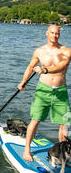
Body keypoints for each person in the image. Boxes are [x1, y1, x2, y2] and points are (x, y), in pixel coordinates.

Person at [18, 24, 71, 161]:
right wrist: (23, 81)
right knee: (35, 120)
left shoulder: (66, 51)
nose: (55, 35)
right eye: (52, 33)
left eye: (57, 33)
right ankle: (27, 150)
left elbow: (62, 66)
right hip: (43, 90)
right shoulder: (39, 51)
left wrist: (45, 70)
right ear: (47, 33)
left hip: (60, 91)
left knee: (64, 123)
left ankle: (63, 154)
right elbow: (30, 67)